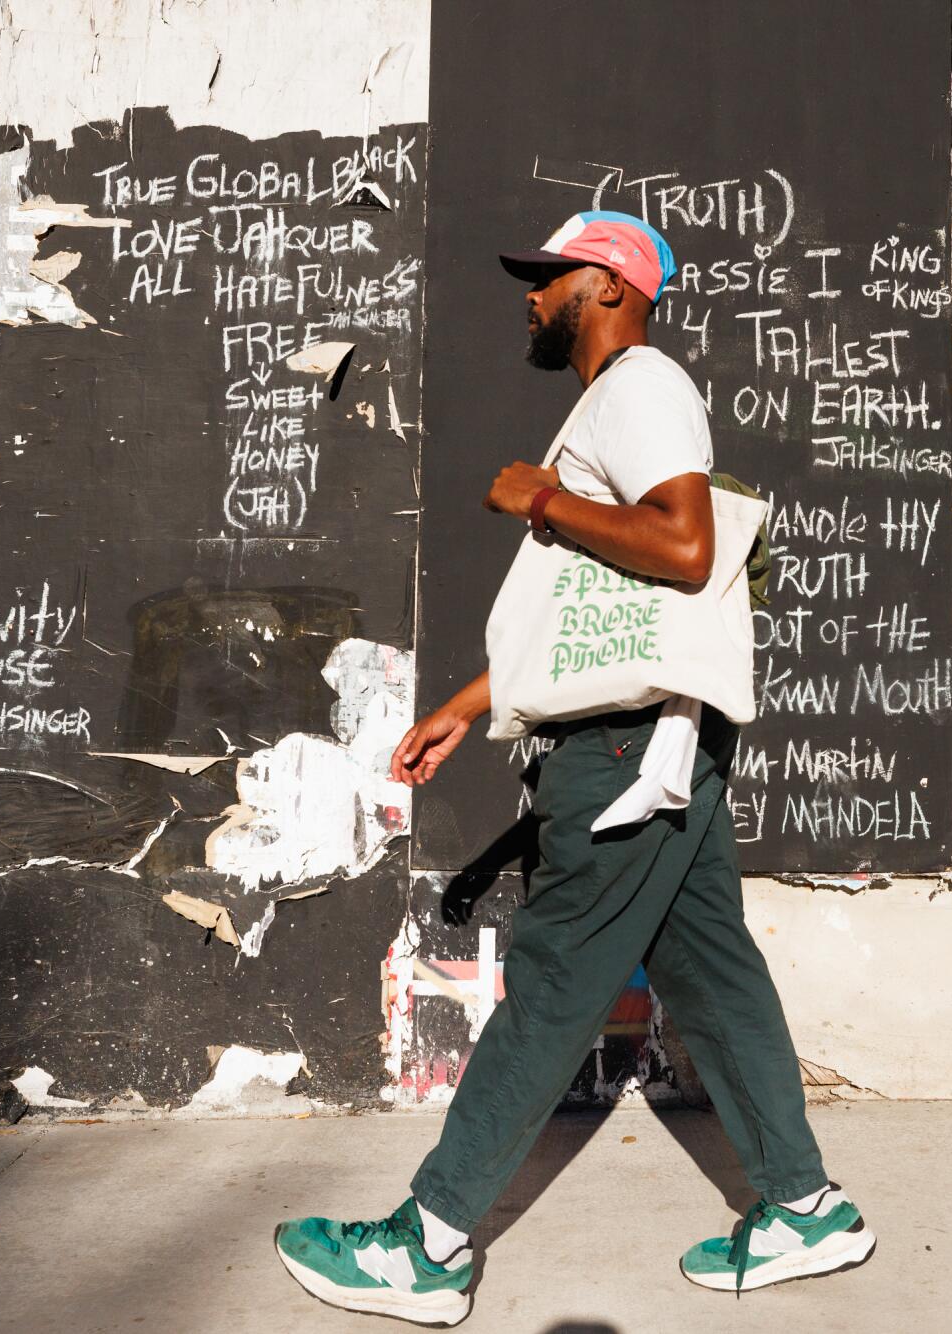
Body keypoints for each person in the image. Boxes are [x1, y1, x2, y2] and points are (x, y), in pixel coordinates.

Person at [275, 212, 873, 1326]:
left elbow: (686, 551)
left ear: (604, 284)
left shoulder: (639, 386)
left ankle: (428, 1242)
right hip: (651, 738)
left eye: (547, 276)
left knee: (553, 981)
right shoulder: (613, 401)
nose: (529, 294)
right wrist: (469, 703)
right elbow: (595, 619)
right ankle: (804, 1208)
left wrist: (538, 498)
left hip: (618, 752)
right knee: (710, 974)